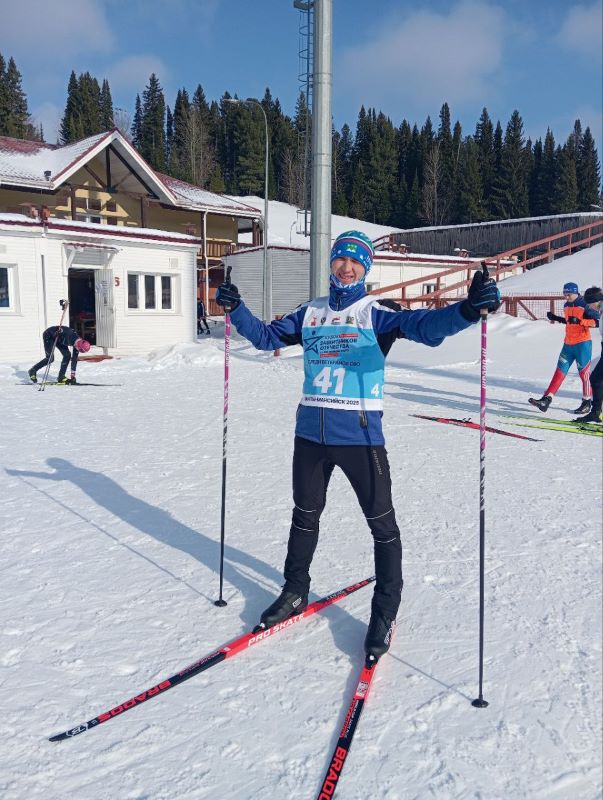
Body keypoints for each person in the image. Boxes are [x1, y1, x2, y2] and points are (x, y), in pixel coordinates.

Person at [215, 230, 501, 660]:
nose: (346, 267)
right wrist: (237, 310)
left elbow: (424, 327)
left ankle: (384, 613)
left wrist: (466, 310)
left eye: (356, 262)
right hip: (310, 434)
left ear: (366, 269)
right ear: (331, 264)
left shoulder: (376, 312)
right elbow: (266, 337)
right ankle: (295, 591)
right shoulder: (310, 313)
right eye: (340, 260)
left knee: (382, 526)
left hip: (361, 437)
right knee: (304, 516)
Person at [529, 282, 600, 414]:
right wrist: (556, 318)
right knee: (559, 372)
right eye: (564, 294)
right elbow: (570, 321)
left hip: (583, 344)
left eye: (568, 294)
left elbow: (598, 321)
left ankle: (587, 402)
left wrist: (581, 322)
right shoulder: (566, 305)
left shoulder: (585, 304)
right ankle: (546, 399)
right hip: (568, 344)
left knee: (584, 374)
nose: (566, 297)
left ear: (575, 292)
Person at [575, 286, 603, 423]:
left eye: (590, 304)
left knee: (596, 379)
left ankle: (596, 412)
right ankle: (596, 413)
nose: (590, 307)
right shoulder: (601, 310)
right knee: (596, 379)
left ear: (596, 301)